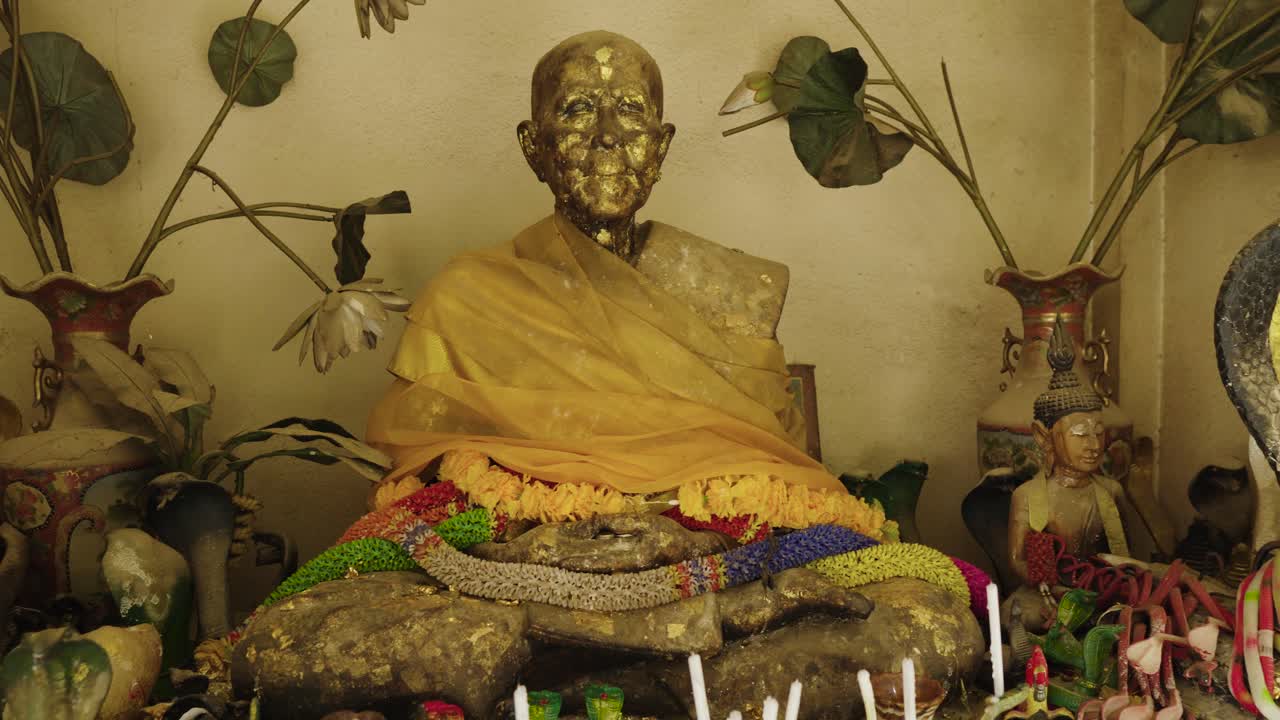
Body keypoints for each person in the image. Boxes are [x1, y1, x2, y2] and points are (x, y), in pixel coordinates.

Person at [365, 30, 886, 537]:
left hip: (715, 537)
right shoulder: (469, 299)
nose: (608, 135)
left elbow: (779, 465)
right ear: (533, 146)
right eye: (578, 110)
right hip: (543, 540)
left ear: (661, 147)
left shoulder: (741, 293)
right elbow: (429, 471)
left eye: (632, 110)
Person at [1008, 317, 1129, 587]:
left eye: (1099, 432)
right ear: (1044, 437)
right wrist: (1050, 587)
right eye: (1081, 434)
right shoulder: (1026, 496)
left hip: (1103, 589)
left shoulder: (1111, 492)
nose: (1094, 445)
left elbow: (1126, 558)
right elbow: (1018, 560)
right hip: (1050, 593)